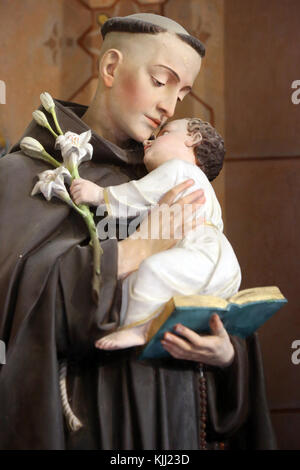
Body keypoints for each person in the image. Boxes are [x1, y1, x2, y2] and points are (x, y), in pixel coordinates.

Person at [0, 13, 276, 450]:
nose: (171, 106)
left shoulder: (172, 179)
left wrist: (227, 356)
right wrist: (135, 249)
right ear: (111, 68)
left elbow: (209, 291)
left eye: (182, 92)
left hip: (176, 422)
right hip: (91, 424)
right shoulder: (26, 176)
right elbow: (19, 310)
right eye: (161, 81)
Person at [69, 118, 242, 350]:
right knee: (140, 278)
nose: (149, 141)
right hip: (224, 266)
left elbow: (139, 194)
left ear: (193, 139)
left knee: (150, 270)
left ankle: (139, 330)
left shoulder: (179, 169)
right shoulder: (204, 190)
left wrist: (100, 194)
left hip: (203, 254)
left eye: (164, 133)